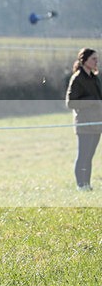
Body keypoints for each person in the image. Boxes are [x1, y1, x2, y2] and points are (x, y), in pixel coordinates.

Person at [65, 48, 101, 191]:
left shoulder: (95, 78)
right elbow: (70, 103)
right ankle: (81, 185)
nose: (96, 61)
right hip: (84, 123)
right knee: (83, 156)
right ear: (84, 60)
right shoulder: (77, 78)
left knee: (90, 156)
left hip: (97, 123)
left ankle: (87, 184)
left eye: (97, 58)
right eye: (93, 59)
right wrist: (91, 101)